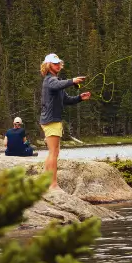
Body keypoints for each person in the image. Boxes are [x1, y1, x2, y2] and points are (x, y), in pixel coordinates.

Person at [40, 53, 90, 188]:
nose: (57, 66)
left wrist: (80, 97)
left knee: (53, 152)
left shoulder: (56, 81)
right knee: (53, 153)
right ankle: (53, 184)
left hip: (52, 120)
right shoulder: (50, 80)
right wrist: (72, 81)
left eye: (58, 64)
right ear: (48, 65)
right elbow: (57, 85)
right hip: (51, 120)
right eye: (54, 63)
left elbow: (66, 100)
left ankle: (45, 181)